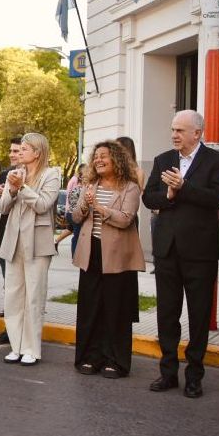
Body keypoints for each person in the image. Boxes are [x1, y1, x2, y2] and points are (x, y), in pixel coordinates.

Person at [143, 110, 219, 399]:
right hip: (167, 250)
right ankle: (168, 372)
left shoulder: (217, 161)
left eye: (180, 130)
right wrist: (167, 196)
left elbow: (215, 198)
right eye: (172, 129)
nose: (174, 135)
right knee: (167, 314)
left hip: (200, 253)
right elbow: (148, 197)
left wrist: (183, 187)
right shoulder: (163, 160)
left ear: (197, 133)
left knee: (199, 315)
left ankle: (194, 376)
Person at [72, 141, 145, 378]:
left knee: (115, 309)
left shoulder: (130, 187)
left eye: (104, 156)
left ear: (117, 160)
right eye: (96, 157)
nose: (98, 160)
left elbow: (125, 219)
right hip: (91, 252)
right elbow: (75, 217)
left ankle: (116, 360)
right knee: (90, 308)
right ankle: (90, 357)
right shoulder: (90, 185)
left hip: (117, 256)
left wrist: (100, 209)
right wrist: (85, 203)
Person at [0, 133, 60, 364]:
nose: (19, 152)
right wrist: (12, 190)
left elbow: (43, 205)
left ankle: (32, 349)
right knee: (13, 296)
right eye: (19, 148)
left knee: (34, 297)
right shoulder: (14, 173)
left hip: (37, 242)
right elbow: (2, 207)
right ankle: (16, 346)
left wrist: (21, 187)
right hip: (13, 240)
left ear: (38, 152)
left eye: (25, 148)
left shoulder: (51, 174)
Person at [0, 137, 22, 340]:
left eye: (17, 151)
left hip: (22, 238)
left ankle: (16, 329)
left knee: (18, 286)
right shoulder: (4, 175)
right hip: (4, 236)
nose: (12, 154)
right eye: (11, 150)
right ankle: (9, 326)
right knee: (7, 283)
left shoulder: (33, 176)